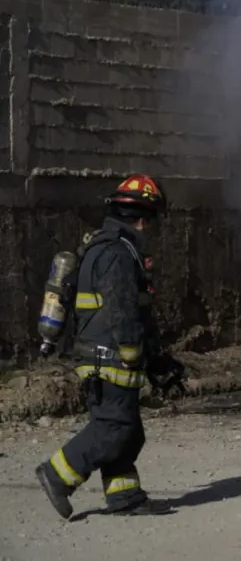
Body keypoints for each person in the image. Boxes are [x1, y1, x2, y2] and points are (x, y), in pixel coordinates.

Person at [35, 174, 174, 518]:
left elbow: (137, 309)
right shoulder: (118, 253)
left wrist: (155, 357)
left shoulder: (107, 247)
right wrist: (132, 353)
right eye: (150, 222)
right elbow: (122, 308)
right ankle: (57, 473)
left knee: (128, 430)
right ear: (142, 218)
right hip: (110, 355)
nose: (150, 230)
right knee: (115, 428)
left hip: (101, 352)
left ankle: (125, 497)